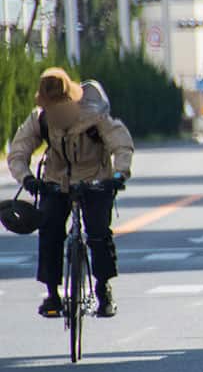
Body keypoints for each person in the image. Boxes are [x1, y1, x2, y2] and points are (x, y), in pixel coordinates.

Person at [6, 68, 134, 318]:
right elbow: (18, 151)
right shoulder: (40, 119)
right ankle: (52, 294)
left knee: (98, 234)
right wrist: (27, 178)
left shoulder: (95, 117)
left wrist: (119, 174)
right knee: (49, 230)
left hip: (95, 179)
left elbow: (121, 143)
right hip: (56, 181)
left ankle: (103, 289)